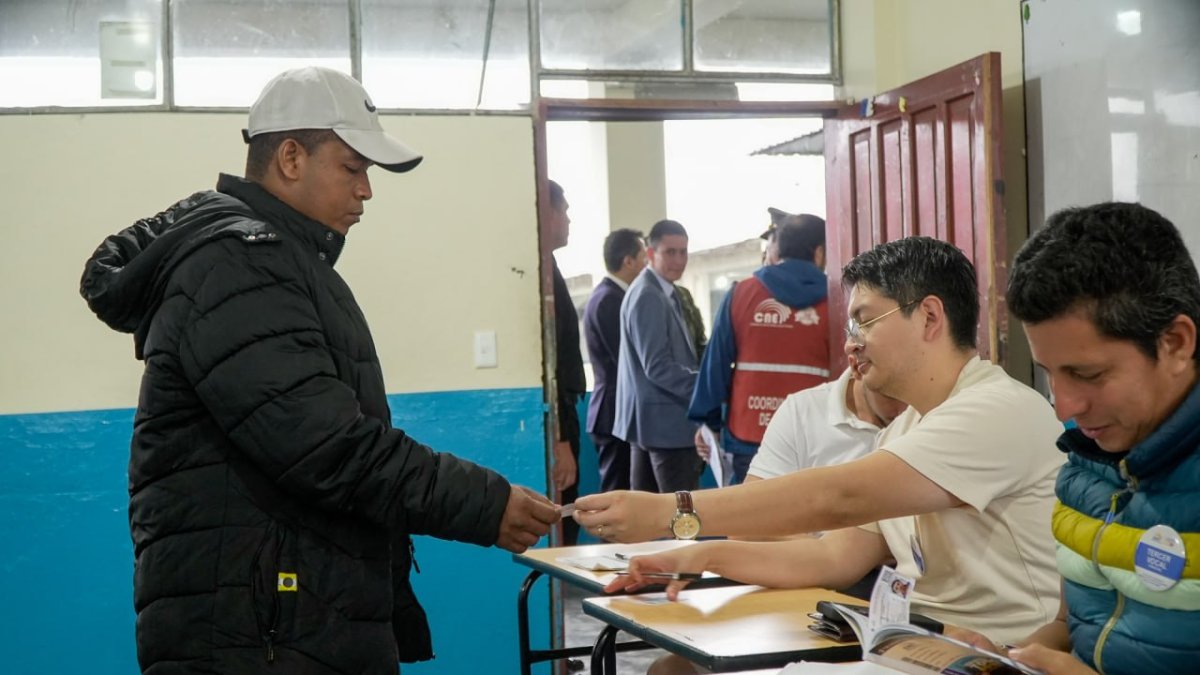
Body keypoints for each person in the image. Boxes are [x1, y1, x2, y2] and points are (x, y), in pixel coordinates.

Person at [78, 66, 559, 674]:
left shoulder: (273, 260)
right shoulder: (239, 265)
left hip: (279, 619)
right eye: (353, 168)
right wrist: (485, 504)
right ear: (290, 157)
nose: (366, 191)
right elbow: (325, 447)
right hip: (261, 633)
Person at [582, 236, 1065, 642]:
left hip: (1002, 655)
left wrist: (674, 511)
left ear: (930, 318)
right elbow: (833, 555)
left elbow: (836, 497)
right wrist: (701, 553)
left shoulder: (994, 410)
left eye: (865, 320)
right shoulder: (908, 426)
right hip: (922, 645)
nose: (851, 341)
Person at [970, 202, 1200, 675]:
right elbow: (1071, 625)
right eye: (1050, 374)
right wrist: (1006, 659)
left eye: (1087, 373)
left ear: (1175, 343)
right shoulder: (1086, 465)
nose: (1064, 407)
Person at [689, 211, 832, 485]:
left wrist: (707, 424)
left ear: (777, 249)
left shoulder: (741, 293)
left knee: (750, 520)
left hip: (749, 434)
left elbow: (715, 365)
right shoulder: (837, 299)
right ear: (819, 252)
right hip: (816, 437)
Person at [614, 219, 702, 493]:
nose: (679, 260)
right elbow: (658, 367)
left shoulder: (662, 290)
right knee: (681, 521)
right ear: (651, 254)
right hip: (665, 428)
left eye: (684, 251)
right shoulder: (648, 295)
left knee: (650, 520)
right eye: (670, 252)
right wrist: (705, 388)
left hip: (654, 424)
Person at [745, 356, 907, 484]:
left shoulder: (926, 413)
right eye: (891, 395)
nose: (906, 408)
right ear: (857, 366)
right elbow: (752, 511)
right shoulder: (802, 413)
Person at [583, 228, 647, 492]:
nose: (647, 264)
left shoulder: (612, 296)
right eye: (644, 257)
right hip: (612, 412)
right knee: (616, 491)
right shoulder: (609, 300)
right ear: (628, 261)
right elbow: (625, 360)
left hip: (615, 411)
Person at [547, 179, 584, 544]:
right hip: (559, 416)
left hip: (567, 410)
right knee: (563, 517)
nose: (569, 220)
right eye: (566, 211)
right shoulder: (540, 271)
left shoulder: (550, 264)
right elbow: (551, 364)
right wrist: (559, 441)